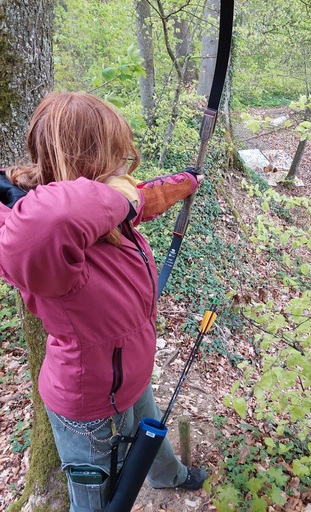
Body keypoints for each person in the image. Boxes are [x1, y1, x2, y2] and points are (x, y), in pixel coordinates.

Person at [0, 92, 207, 511]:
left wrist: (185, 183)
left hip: (130, 371)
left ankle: (167, 476)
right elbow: (48, 224)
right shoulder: (40, 235)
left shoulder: (99, 210)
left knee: (152, 433)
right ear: (88, 162)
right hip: (91, 407)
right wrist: (121, 196)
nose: (121, 168)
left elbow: (137, 204)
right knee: (94, 503)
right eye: (113, 155)